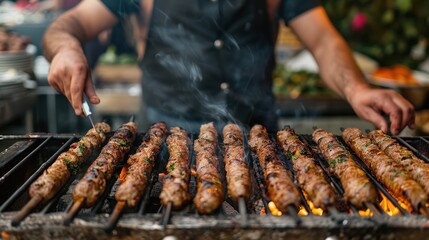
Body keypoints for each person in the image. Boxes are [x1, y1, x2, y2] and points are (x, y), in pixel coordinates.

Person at [43, 0, 415, 134]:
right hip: (164, 141)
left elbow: (323, 40)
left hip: (258, 143)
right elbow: (68, 25)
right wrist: (66, 49)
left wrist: (356, 89)